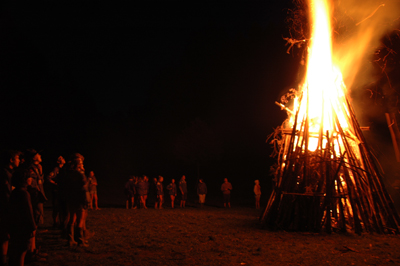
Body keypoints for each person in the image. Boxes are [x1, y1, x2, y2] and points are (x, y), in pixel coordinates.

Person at [8, 169, 37, 266]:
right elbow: (28, 212)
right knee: (22, 251)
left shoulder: (15, 192)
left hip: (15, 226)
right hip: (23, 227)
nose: (31, 179)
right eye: (29, 177)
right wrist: (33, 227)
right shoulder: (24, 194)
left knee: (17, 251)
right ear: (24, 179)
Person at [0, 150, 21, 266]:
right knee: (5, 235)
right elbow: (6, 194)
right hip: (6, 209)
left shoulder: (9, 172)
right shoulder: (5, 174)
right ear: (11, 160)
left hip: (8, 208)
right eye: (17, 158)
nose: (19, 160)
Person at [65, 154, 90, 247]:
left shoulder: (69, 173)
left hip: (72, 198)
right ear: (78, 164)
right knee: (80, 220)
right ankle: (80, 240)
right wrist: (83, 174)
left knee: (72, 219)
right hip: (80, 198)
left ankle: (70, 240)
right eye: (81, 163)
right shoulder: (80, 174)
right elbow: (84, 184)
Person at [25, 149, 47, 227]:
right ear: (33, 158)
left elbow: (40, 182)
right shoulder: (31, 168)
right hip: (35, 195)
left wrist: (41, 173)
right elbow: (31, 183)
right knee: (36, 213)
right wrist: (36, 190)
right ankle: (33, 233)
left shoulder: (37, 168)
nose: (40, 156)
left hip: (38, 194)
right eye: (38, 154)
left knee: (38, 213)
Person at [47, 156, 65, 228]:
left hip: (62, 191)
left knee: (62, 208)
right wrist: (55, 184)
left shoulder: (64, 169)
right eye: (61, 158)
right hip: (56, 191)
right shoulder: (56, 169)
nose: (63, 159)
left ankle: (61, 223)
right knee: (56, 208)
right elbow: (48, 178)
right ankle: (55, 223)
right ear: (58, 161)